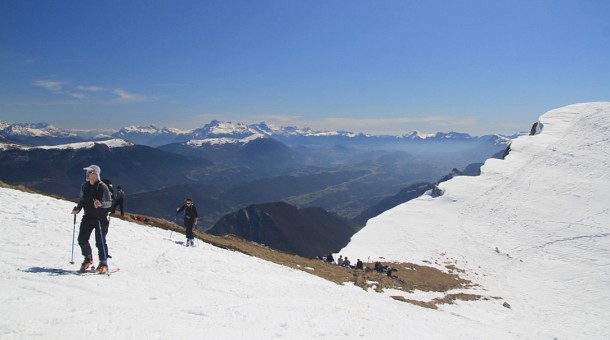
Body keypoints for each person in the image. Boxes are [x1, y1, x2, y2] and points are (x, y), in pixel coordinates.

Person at [71, 165, 113, 274]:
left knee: (100, 242)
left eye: (89, 172)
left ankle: (103, 263)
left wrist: (100, 204)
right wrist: (78, 209)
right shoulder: (85, 186)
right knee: (82, 239)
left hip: (100, 218)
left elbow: (109, 203)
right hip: (88, 216)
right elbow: (82, 199)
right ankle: (88, 258)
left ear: (95, 173)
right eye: (87, 172)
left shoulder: (102, 187)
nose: (87, 174)